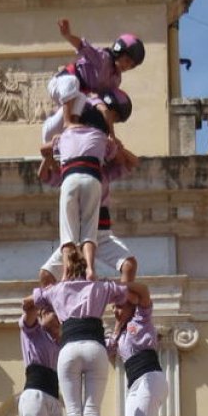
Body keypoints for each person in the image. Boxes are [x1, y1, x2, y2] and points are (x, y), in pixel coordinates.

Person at [31, 250, 142, 416]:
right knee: (93, 410)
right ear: (89, 265)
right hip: (95, 348)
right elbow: (129, 292)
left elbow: (39, 285)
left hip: (69, 348)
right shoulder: (101, 286)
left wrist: (61, 267)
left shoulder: (57, 290)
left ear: (66, 267)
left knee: (73, 411)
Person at [38, 92, 139, 286]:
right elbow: (43, 174)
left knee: (128, 265)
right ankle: (58, 310)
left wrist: (119, 147)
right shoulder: (95, 152)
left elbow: (133, 162)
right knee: (46, 276)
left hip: (101, 233)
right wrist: (112, 141)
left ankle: (122, 309)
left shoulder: (104, 173)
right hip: (79, 233)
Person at [42, 18, 145, 144]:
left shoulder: (116, 80)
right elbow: (83, 46)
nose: (127, 66)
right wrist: (67, 35)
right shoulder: (102, 58)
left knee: (83, 101)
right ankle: (67, 122)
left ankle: (70, 128)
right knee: (73, 82)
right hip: (60, 84)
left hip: (76, 96)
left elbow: (100, 101)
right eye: (127, 61)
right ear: (119, 51)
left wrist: (111, 135)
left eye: (131, 66)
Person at [108, 282, 167, 416]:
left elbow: (144, 291)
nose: (115, 311)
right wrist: (117, 325)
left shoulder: (141, 319)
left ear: (130, 304)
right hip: (134, 383)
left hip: (150, 376)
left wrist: (122, 286)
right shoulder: (121, 333)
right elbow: (109, 350)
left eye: (119, 306)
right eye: (113, 307)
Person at [19, 297, 65, 416]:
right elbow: (28, 308)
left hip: (53, 397)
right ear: (42, 313)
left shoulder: (60, 343)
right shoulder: (32, 331)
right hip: (36, 393)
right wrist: (45, 295)